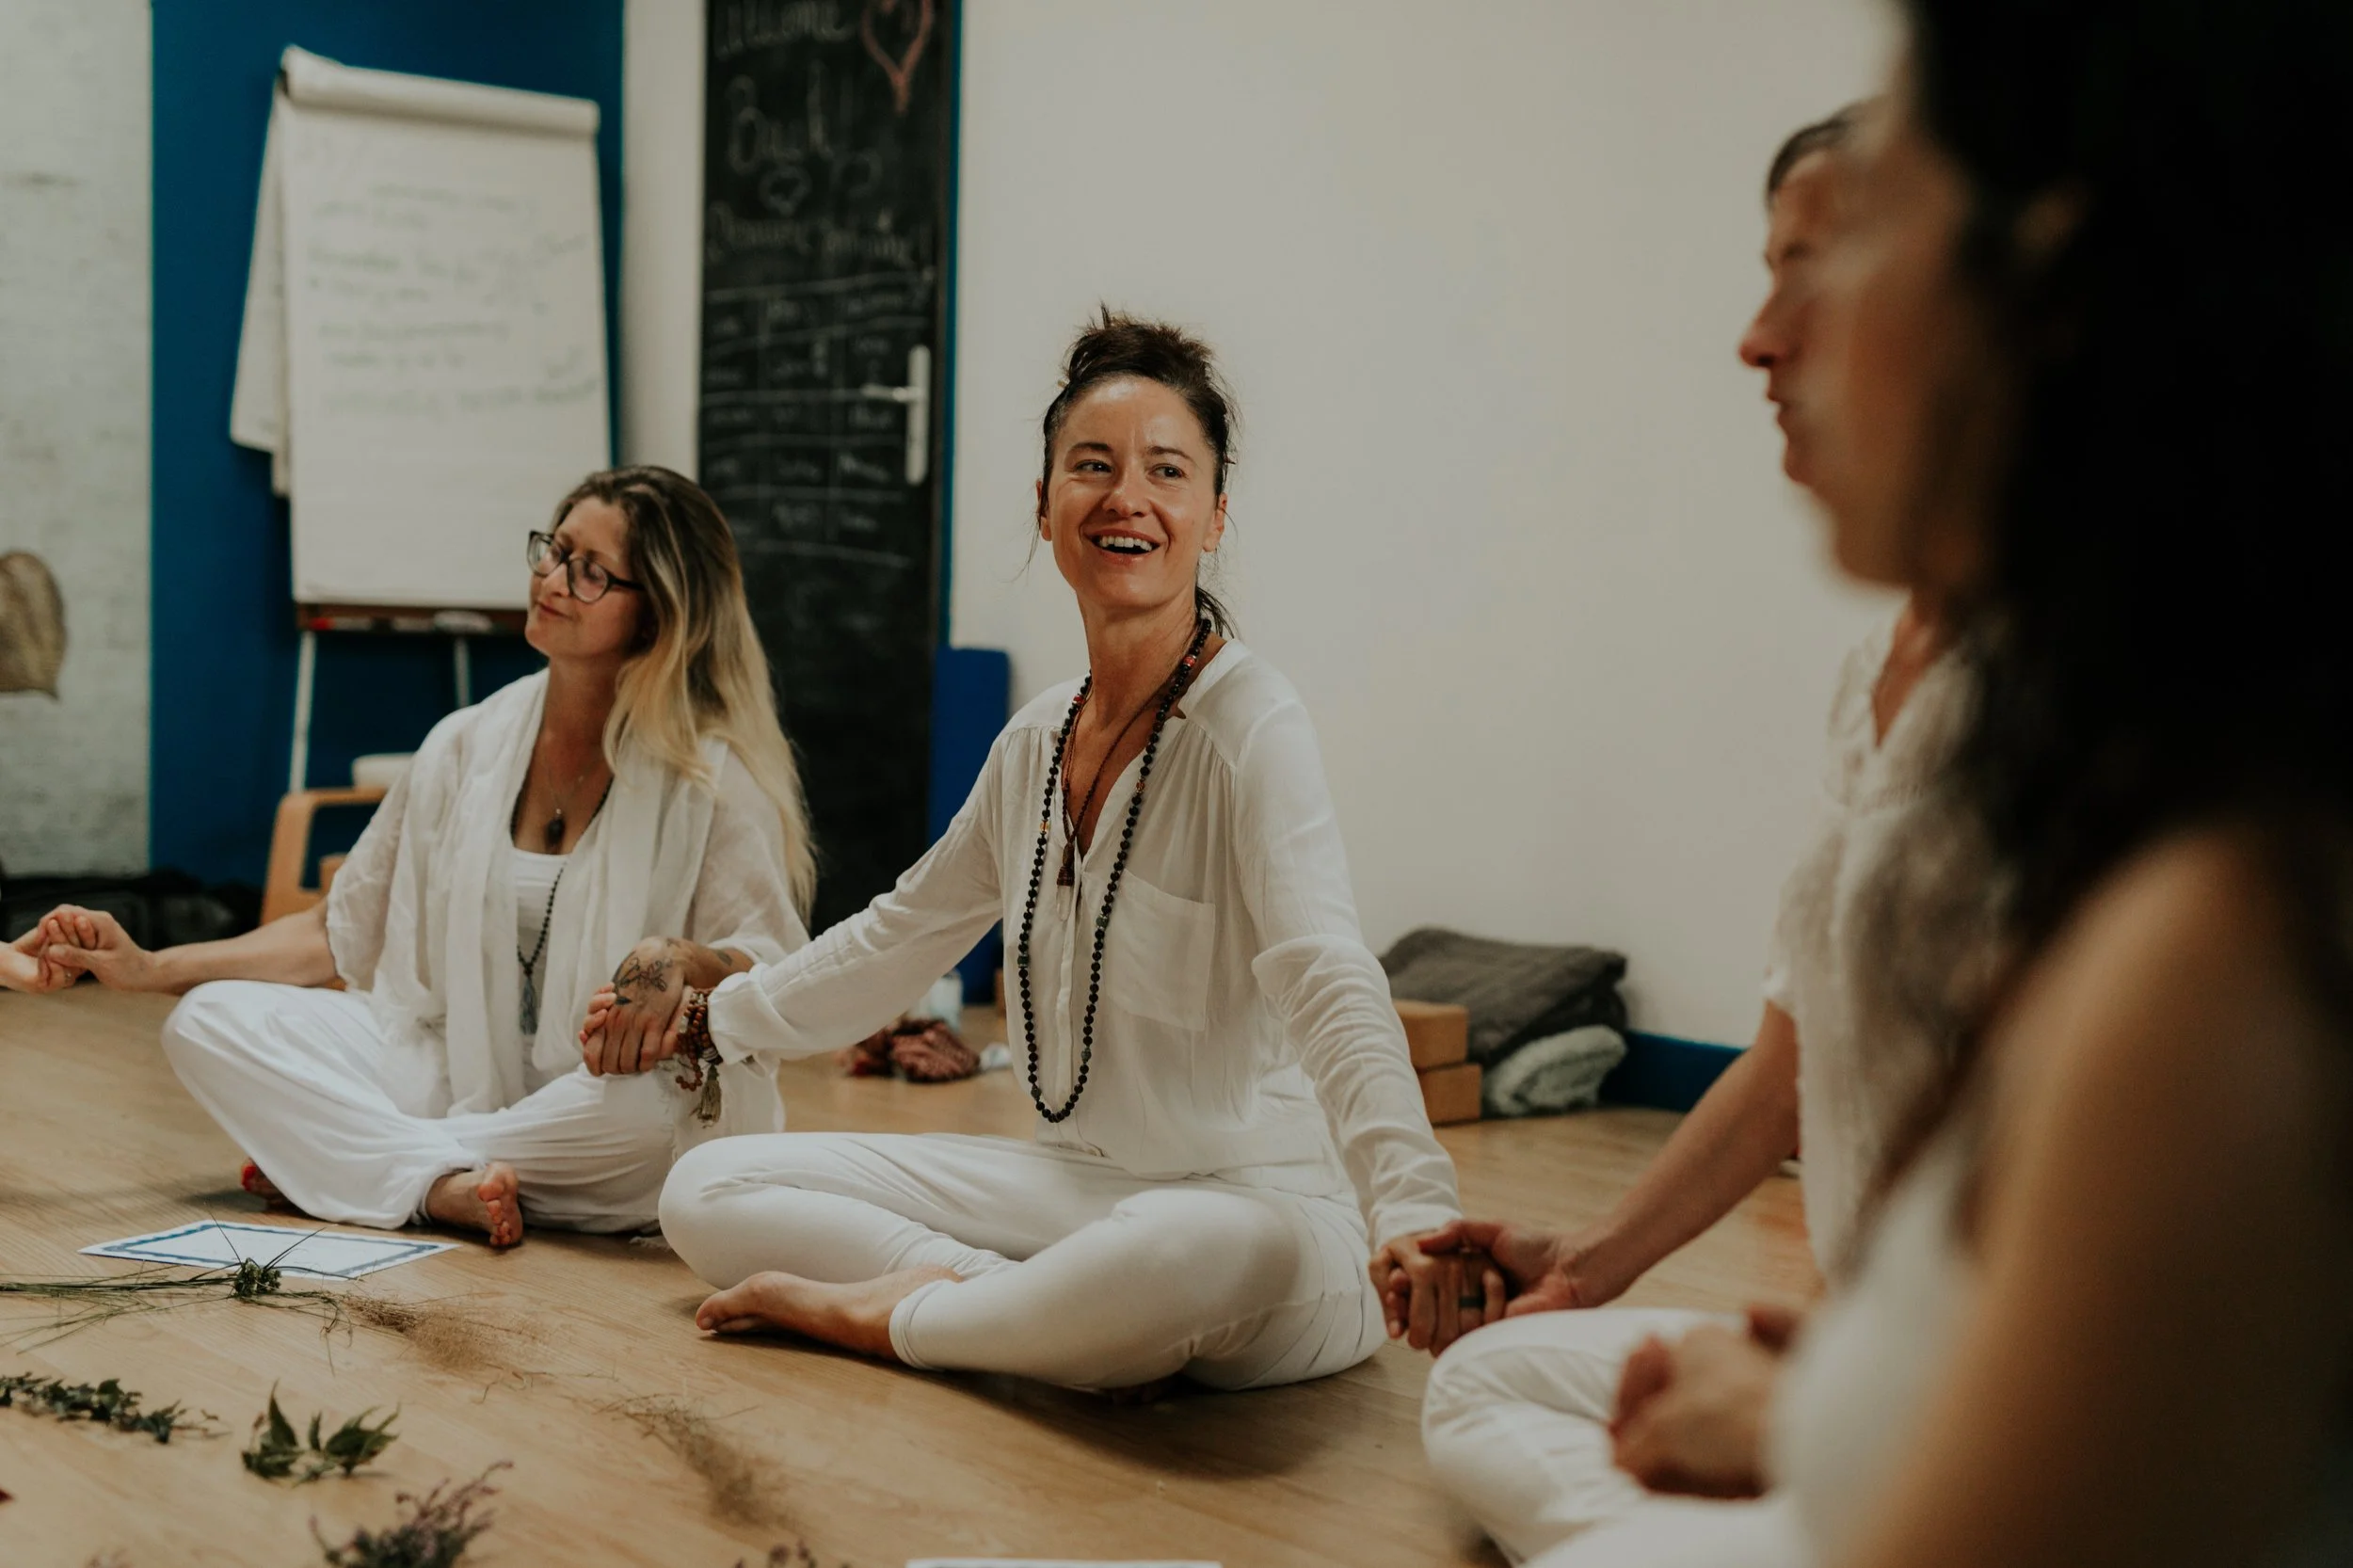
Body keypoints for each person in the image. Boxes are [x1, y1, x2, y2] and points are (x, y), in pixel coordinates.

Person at [1540, 2, 2353, 1563]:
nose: (1762, 339)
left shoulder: (2218, 951)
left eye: (1860, 236)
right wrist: (1780, 1366)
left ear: (2056, 287)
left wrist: (1813, 1419)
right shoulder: (2127, 788)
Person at [589, 312, 1478, 1394]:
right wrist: (713, 1019)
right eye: (1091, 466)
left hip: (1265, 1213)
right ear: (1046, 504)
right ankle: (1020, 1310)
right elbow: (900, 935)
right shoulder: (1035, 741)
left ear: (1213, 515)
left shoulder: (1253, 724)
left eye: (1166, 470)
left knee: (1177, 1252)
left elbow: (1328, 978)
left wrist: (1416, 1209)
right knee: (708, 1189)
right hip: (1076, 1192)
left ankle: (915, 1317)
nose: (1126, 497)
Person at [1413, 105, 1988, 1564]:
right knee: (1492, 1374)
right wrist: (1585, 1259)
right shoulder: (1873, 678)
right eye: (1767, 271)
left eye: (1817, 273)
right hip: (1876, 1374)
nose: (1756, 338)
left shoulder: (2094, 715)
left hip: (2013, 1429)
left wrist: (1822, 1415)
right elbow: (1791, 1066)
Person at [37, 467, 814, 1247]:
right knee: (209, 1023)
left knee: (667, 1108)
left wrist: (679, 957)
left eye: (590, 572)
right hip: (463, 1070)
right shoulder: (465, 744)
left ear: (658, 617)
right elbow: (336, 933)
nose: (551, 579)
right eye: (553, 550)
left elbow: (775, 967)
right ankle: (433, 1180)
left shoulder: (711, 777)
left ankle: (376, 1165)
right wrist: (149, 968)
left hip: (600, 1103)